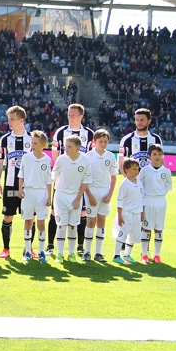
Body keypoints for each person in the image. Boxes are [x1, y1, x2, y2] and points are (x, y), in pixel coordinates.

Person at [48, 103, 94, 255]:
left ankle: (79, 247)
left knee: (81, 213)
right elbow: (55, 155)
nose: (70, 117)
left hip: (81, 179)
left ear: (81, 116)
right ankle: (50, 245)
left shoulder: (89, 133)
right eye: (69, 114)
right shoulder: (61, 132)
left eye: (73, 114)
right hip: (63, 180)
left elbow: (91, 155)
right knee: (55, 213)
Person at [0, 106, 32, 259]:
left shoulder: (32, 139)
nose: (9, 122)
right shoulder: (5, 139)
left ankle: (28, 249)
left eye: (12, 119)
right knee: (8, 216)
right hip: (10, 184)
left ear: (21, 120)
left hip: (29, 185)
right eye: (8, 119)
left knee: (30, 217)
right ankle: (6, 249)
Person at [51, 136, 92, 263]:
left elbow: (85, 182)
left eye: (69, 146)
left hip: (75, 196)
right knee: (61, 225)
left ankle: (72, 253)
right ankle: (60, 254)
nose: (66, 148)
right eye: (65, 146)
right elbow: (53, 177)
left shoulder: (85, 161)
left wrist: (78, 199)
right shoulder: (61, 159)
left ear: (77, 148)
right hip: (61, 195)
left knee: (73, 226)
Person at [83, 129, 118, 263]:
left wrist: (110, 194)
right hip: (91, 191)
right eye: (100, 141)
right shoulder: (87, 156)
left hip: (104, 192)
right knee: (91, 221)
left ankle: (98, 252)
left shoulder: (110, 156)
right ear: (94, 142)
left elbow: (114, 178)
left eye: (105, 141)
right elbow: (84, 179)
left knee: (102, 222)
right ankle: (86, 252)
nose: (102, 144)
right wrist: (89, 195)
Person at [17, 130, 52, 263]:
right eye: (32, 142)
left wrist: (49, 196)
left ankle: (42, 251)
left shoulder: (47, 159)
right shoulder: (26, 157)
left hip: (42, 193)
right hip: (28, 192)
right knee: (28, 221)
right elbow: (21, 175)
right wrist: (20, 189)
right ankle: (27, 251)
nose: (33, 145)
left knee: (41, 222)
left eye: (35, 143)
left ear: (42, 144)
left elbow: (49, 180)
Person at [138, 144, 172, 264]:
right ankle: (144, 255)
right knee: (146, 228)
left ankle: (157, 255)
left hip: (161, 201)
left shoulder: (167, 171)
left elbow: (167, 187)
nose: (157, 157)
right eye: (154, 154)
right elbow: (140, 187)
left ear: (162, 155)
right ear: (150, 156)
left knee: (159, 228)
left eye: (159, 154)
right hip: (148, 200)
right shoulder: (145, 170)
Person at [112, 158, 144, 265]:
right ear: (126, 170)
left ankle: (127, 254)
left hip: (136, 213)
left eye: (137, 169)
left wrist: (142, 212)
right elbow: (120, 202)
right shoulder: (124, 185)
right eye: (134, 169)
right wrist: (120, 216)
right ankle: (116, 255)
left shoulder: (139, 182)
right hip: (127, 213)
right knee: (123, 233)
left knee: (133, 234)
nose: (136, 171)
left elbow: (142, 198)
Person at [118, 108, 163, 172]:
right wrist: (131, 181)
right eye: (137, 120)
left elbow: (161, 161)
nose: (139, 122)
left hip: (151, 180)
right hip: (134, 180)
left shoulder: (156, 139)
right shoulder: (126, 139)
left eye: (142, 120)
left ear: (149, 121)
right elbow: (121, 164)